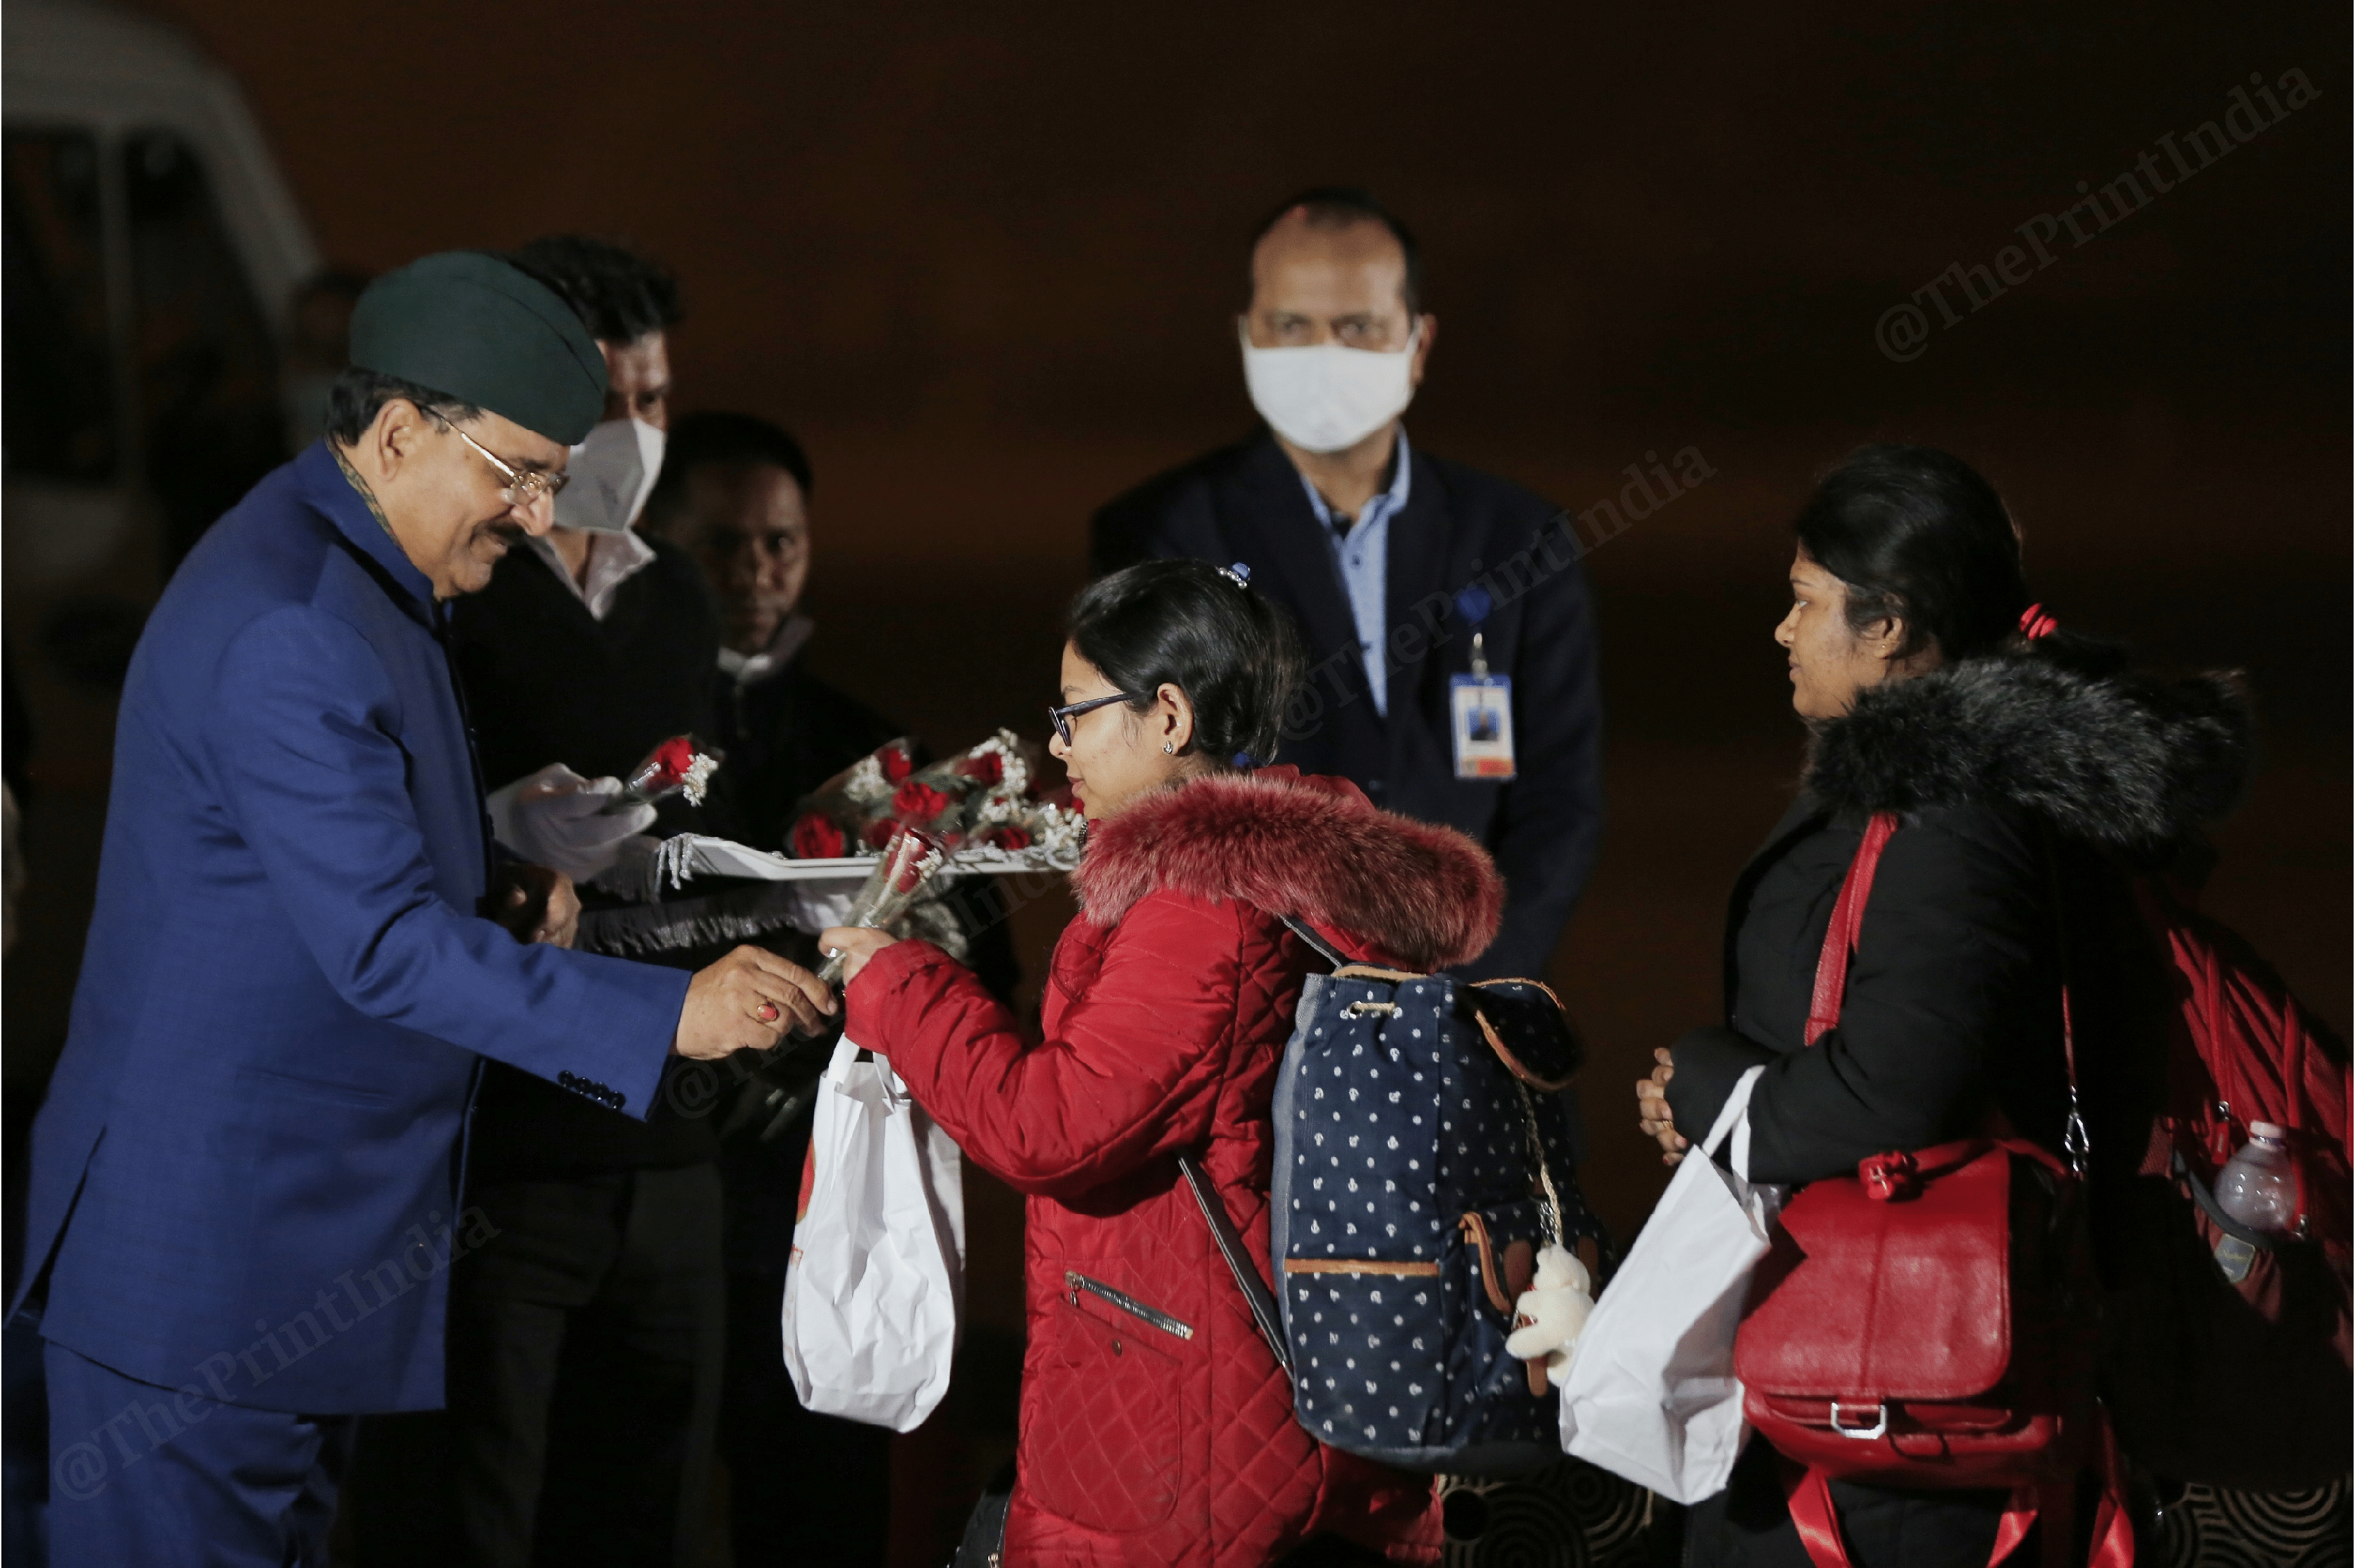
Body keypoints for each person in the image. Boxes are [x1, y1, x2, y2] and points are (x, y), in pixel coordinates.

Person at [5, 250, 834, 1568]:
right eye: (520, 477)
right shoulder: (300, 623)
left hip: (284, 1268)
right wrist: (672, 1012)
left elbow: (318, 874)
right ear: (398, 435)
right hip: (215, 1281)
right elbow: (383, 947)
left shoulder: (353, 562)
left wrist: (487, 876)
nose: (540, 513)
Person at [1638, 445, 2248, 1566]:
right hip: (1866, 1373)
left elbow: (1898, 1080)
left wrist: (1708, 1088)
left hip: (1904, 1409)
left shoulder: (1951, 810)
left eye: (1806, 599)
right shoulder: (1929, 792)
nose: (1781, 630)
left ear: (1891, 624)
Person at [820, 558, 1488, 1568]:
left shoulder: (1200, 906)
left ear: (1167, 715)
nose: (1057, 743)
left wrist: (901, 987)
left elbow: (1053, 1127)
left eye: (1076, 712)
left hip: (1186, 1421)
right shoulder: (1308, 879)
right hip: (1287, 1386)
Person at [347, 236, 730, 1568]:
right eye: (607, 398)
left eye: (656, 402)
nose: (632, 431)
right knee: (474, 1511)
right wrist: (498, 836)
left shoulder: (672, 595)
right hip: (502, 1149)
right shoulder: (451, 583)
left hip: (670, 1145)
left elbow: (713, 828)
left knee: (654, 1511)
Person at [1089, 188, 1602, 982]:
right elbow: (1148, 793)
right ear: (1246, 338)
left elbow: (1559, 802)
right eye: (1292, 327)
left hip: (1471, 1006)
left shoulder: (1517, 538)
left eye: (1358, 327)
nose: (1323, 353)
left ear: (1419, 342)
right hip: (1260, 1009)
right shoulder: (1161, 535)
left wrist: (1472, 984)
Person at [637, 410, 904, 1566]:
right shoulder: (618, 740)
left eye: (780, 545)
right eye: (723, 545)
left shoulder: (870, 748)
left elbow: (956, 963)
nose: (755, 574)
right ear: (660, 544)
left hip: (819, 1204)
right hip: (660, 1193)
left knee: (818, 1502)